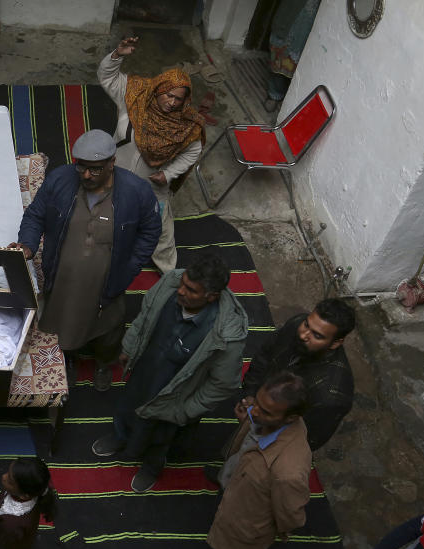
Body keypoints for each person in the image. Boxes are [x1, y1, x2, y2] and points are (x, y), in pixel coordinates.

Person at [12, 129, 161, 392]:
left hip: (107, 282)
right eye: (81, 167)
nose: (86, 175)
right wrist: (28, 245)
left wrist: (131, 267)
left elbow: (150, 232)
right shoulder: (60, 180)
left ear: (112, 163)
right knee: (65, 322)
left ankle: (103, 363)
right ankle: (69, 359)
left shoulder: (137, 192)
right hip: (63, 279)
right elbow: (35, 215)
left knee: (108, 328)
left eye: (95, 169)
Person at [91, 253, 248, 492]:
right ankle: (120, 436)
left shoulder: (227, 335)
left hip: (176, 398)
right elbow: (145, 316)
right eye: (183, 283)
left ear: (211, 297)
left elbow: (223, 384)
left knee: (161, 436)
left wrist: (187, 409)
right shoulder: (170, 284)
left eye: (191, 290)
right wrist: (130, 346)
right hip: (144, 374)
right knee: (128, 406)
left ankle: (151, 468)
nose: (181, 291)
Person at [178, 371, 312, 549]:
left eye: (266, 412)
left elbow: (291, 517)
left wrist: (258, 529)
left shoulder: (288, 472)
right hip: (233, 500)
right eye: (257, 404)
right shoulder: (271, 418)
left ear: (291, 417)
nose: (255, 413)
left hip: (243, 530)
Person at [97, 36, 206, 273]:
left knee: (160, 231)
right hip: (117, 174)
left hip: (152, 183)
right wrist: (117, 55)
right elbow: (108, 78)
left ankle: (169, 275)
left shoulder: (187, 124)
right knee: (107, 215)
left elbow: (193, 150)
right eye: (168, 95)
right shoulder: (136, 96)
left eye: (179, 99)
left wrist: (168, 174)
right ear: (159, 89)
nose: (172, 103)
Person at [240, 298, 355, 451]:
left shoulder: (331, 397)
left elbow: (305, 441)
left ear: (335, 343)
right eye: (307, 324)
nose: (303, 335)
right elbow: (264, 356)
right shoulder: (296, 325)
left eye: (317, 335)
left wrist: (260, 427)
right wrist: (250, 394)